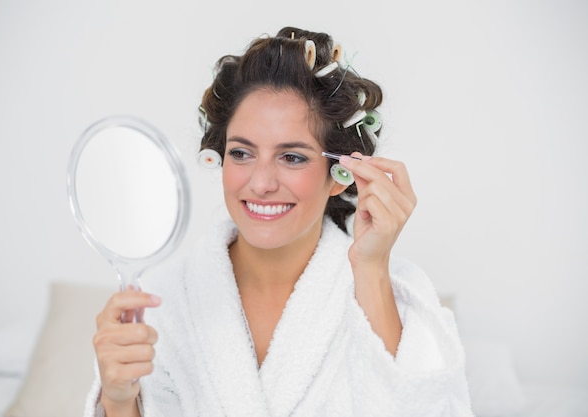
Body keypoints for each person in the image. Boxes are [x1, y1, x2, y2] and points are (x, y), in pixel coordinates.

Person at [84, 26, 473, 417]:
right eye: (241, 153)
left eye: (292, 157)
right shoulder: (161, 300)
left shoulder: (399, 294)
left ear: (341, 175)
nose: (261, 183)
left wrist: (370, 270)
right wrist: (118, 401)